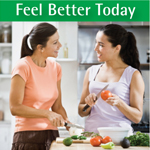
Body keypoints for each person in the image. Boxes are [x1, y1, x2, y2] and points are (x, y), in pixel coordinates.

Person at [9, 22, 70, 150]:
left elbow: (57, 106)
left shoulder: (56, 68)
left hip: (52, 135)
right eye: (54, 43)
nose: (59, 46)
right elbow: (15, 107)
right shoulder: (23, 66)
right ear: (40, 47)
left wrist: (68, 123)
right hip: (28, 136)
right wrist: (46, 114)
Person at [78, 24, 145, 135]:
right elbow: (81, 112)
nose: (95, 48)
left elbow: (137, 117)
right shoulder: (91, 71)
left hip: (119, 137)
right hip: (92, 136)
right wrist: (88, 105)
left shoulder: (132, 74)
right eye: (96, 43)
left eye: (101, 45)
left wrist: (120, 103)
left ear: (117, 48)